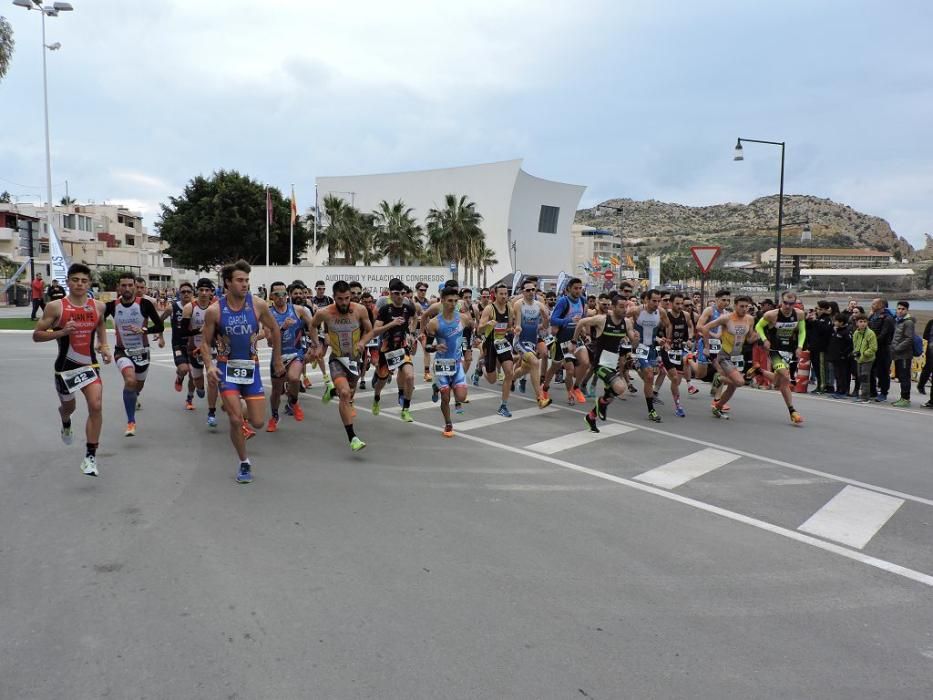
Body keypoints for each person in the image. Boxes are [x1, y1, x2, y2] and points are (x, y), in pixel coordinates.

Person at [200, 260, 283, 484]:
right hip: (227, 368)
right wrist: (209, 366)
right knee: (236, 420)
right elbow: (205, 343)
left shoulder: (257, 305)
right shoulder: (215, 310)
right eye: (240, 280)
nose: (245, 284)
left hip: (251, 368)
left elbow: (274, 328)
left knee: (257, 422)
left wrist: (276, 359)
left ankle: (239, 405)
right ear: (227, 283)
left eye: (247, 280)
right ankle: (244, 462)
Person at [33, 263, 112, 476]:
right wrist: (61, 332)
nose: (79, 284)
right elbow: (37, 336)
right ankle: (65, 421)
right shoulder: (56, 307)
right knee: (69, 408)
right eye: (75, 280)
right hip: (65, 369)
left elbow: (101, 325)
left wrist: (104, 347)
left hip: (89, 365)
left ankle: (90, 456)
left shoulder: (98, 306)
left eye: (84, 280)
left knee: (95, 406)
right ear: (68, 282)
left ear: (89, 283)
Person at [306, 280, 374, 451]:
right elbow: (312, 325)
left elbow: (370, 330)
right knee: (345, 394)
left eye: (347, 298)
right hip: (336, 358)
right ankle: (353, 437)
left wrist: (363, 342)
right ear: (334, 297)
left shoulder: (359, 310)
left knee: (349, 392)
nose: (344, 302)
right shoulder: (325, 313)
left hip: (354, 359)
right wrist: (316, 345)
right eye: (340, 299)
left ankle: (332, 390)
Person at [105, 272, 165, 437]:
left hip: (142, 352)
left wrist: (144, 330)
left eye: (130, 285)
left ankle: (134, 396)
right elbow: (96, 322)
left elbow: (160, 326)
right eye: (123, 285)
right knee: (130, 380)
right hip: (122, 351)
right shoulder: (111, 306)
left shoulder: (144, 304)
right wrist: (100, 343)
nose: (127, 288)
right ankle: (131, 421)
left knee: (137, 385)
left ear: (134, 287)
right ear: (118, 287)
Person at [575, 294, 635, 431]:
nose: (624, 310)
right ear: (613, 307)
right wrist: (574, 341)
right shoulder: (602, 320)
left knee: (611, 396)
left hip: (612, 363)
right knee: (620, 388)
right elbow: (581, 323)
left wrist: (635, 338)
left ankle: (591, 417)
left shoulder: (627, 322)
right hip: (600, 363)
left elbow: (633, 340)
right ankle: (601, 403)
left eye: (626, 307)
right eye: (621, 307)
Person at [424, 286, 474, 437]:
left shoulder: (464, 319)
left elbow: (467, 337)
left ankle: (437, 386)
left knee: (461, 397)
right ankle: (448, 423)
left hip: (457, 363)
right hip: (442, 364)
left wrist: (467, 350)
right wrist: (435, 347)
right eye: (450, 301)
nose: (453, 304)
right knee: (445, 397)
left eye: (455, 301)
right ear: (443, 301)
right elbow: (427, 347)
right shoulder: (434, 323)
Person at [265, 280, 314, 432]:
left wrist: (315, 344)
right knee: (276, 391)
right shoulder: (267, 314)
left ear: (287, 295)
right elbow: (269, 340)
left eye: (284, 294)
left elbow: (313, 324)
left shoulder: (298, 309)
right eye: (277, 294)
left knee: (294, 378)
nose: (281, 297)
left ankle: (293, 402)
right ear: (271, 296)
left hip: (296, 353)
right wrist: (282, 328)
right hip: (278, 356)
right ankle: (274, 416)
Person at [752, 290, 805, 424]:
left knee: (779, 382)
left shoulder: (799, 314)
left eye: (791, 303)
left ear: (795, 303)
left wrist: (799, 346)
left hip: (788, 350)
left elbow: (802, 331)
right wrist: (764, 339)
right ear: (781, 302)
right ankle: (793, 411)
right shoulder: (771, 314)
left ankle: (759, 371)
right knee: (786, 376)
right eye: (785, 303)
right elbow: (758, 326)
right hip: (774, 349)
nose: (788, 306)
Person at [699, 295, 756, 420]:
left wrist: (760, 336)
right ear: (735, 306)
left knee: (733, 387)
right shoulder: (726, 318)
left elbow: (750, 338)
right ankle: (719, 377)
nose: (744, 309)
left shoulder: (750, 319)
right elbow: (704, 328)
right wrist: (707, 347)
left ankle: (718, 407)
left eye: (747, 306)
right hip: (724, 355)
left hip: (738, 356)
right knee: (740, 382)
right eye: (742, 306)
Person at [370, 278, 418, 421]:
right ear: (390, 293)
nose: (400, 296)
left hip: (402, 348)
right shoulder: (385, 309)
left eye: (402, 293)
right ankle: (376, 398)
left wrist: (411, 333)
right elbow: (375, 331)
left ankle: (406, 409)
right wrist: (391, 324)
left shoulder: (408, 307)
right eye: (396, 293)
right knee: (381, 381)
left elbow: (415, 318)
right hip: (386, 350)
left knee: (410, 376)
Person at [626, 288, 670, 422]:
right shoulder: (637, 310)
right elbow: (622, 319)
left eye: (658, 301)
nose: (656, 304)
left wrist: (665, 340)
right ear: (646, 300)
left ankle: (634, 364)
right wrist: (630, 333)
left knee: (653, 374)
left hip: (651, 347)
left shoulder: (661, 312)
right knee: (650, 375)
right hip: (639, 347)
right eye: (653, 301)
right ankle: (651, 410)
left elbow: (668, 325)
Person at [544, 277, 590, 404]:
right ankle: (545, 388)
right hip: (563, 339)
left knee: (585, 363)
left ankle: (575, 388)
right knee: (557, 367)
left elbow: (583, 318)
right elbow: (553, 320)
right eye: (575, 288)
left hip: (576, 338)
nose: (578, 291)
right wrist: (569, 321)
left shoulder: (582, 300)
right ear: (569, 289)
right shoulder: (563, 302)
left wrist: (585, 331)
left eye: (580, 288)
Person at [510, 279, 553, 409]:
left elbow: (544, 327)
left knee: (525, 369)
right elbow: (517, 323)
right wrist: (517, 328)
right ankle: (540, 398)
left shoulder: (539, 305)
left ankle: (511, 378)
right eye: (528, 290)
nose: (531, 292)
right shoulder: (519, 304)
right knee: (535, 362)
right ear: (523, 292)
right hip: (520, 341)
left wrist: (546, 319)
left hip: (532, 341)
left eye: (533, 289)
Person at [476, 283, 518, 417]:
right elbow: (479, 329)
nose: (504, 296)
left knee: (509, 373)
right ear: (495, 294)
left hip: (502, 343)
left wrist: (514, 329)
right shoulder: (489, 309)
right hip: (490, 344)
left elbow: (509, 327)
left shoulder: (509, 309)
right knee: (492, 380)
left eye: (506, 294)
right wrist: (487, 324)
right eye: (501, 294)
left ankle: (503, 405)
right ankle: (482, 366)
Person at [182, 279, 220, 425]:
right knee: (198, 381)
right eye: (201, 290)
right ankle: (199, 387)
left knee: (213, 380)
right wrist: (200, 330)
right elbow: (183, 332)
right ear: (197, 291)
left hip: (212, 349)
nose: (204, 293)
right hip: (195, 349)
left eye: (207, 290)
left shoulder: (216, 308)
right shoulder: (189, 308)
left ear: (211, 292)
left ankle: (211, 413)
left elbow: (220, 330)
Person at [868, 297, 895, 402]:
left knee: (883, 372)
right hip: (872, 348)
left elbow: (884, 334)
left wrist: (872, 342)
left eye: (874, 303)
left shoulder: (888, 318)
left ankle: (883, 392)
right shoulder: (872, 316)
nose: (872, 305)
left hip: (883, 349)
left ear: (881, 305)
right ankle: (872, 391)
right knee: (870, 370)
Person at [890, 301, 916, 407]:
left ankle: (906, 399)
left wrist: (896, 348)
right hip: (898, 354)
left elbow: (909, 339)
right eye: (898, 309)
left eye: (903, 309)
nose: (900, 311)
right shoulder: (898, 321)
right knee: (901, 376)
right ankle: (902, 397)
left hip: (904, 354)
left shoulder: (908, 322)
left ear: (907, 310)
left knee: (905, 377)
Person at [851, 314, 877, 403]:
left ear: (867, 323)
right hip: (858, 359)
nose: (862, 324)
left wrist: (864, 353)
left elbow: (873, 348)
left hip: (867, 359)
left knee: (865, 376)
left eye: (865, 322)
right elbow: (855, 345)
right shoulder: (856, 333)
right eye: (860, 322)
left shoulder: (870, 333)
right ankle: (863, 394)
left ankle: (865, 397)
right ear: (857, 323)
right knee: (859, 376)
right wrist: (855, 352)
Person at [827, 313, 853, 399]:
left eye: (836, 321)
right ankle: (838, 390)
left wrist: (844, 354)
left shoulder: (846, 332)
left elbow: (850, 345)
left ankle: (843, 391)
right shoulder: (836, 330)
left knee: (843, 374)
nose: (834, 322)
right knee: (837, 375)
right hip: (835, 357)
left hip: (842, 358)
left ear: (841, 322)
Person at [917, 316, 933, 402]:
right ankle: (921, 385)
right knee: (927, 369)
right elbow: (925, 336)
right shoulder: (931, 323)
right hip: (930, 350)